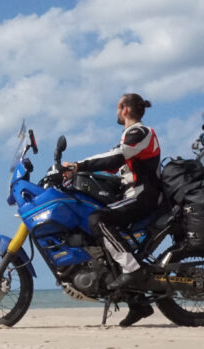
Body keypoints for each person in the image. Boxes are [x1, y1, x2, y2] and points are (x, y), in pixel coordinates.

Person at [63, 92, 161, 326]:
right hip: (133, 193)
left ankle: (133, 270)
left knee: (97, 219)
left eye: (118, 108)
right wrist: (74, 172)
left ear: (125, 109)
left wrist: (78, 166)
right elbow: (109, 163)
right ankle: (138, 304)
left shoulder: (139, 132)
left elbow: (115, 158)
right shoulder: (130, 136)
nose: (116, 112)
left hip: (143, 195)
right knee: (101, 236)